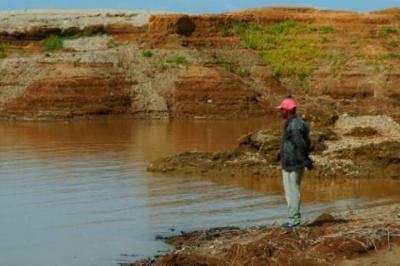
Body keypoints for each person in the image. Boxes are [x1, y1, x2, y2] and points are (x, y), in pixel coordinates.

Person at [276, 97, 313, 230]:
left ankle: (295, 222)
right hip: (289, 162)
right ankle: (292, 219)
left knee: (292, 192)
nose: (280, 112)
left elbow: (301, 144)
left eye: (282, 110)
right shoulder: (294, 123)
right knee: (289, 192)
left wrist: (304, 160)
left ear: (287, 110)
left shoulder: (295, 125)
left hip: (294, 163)